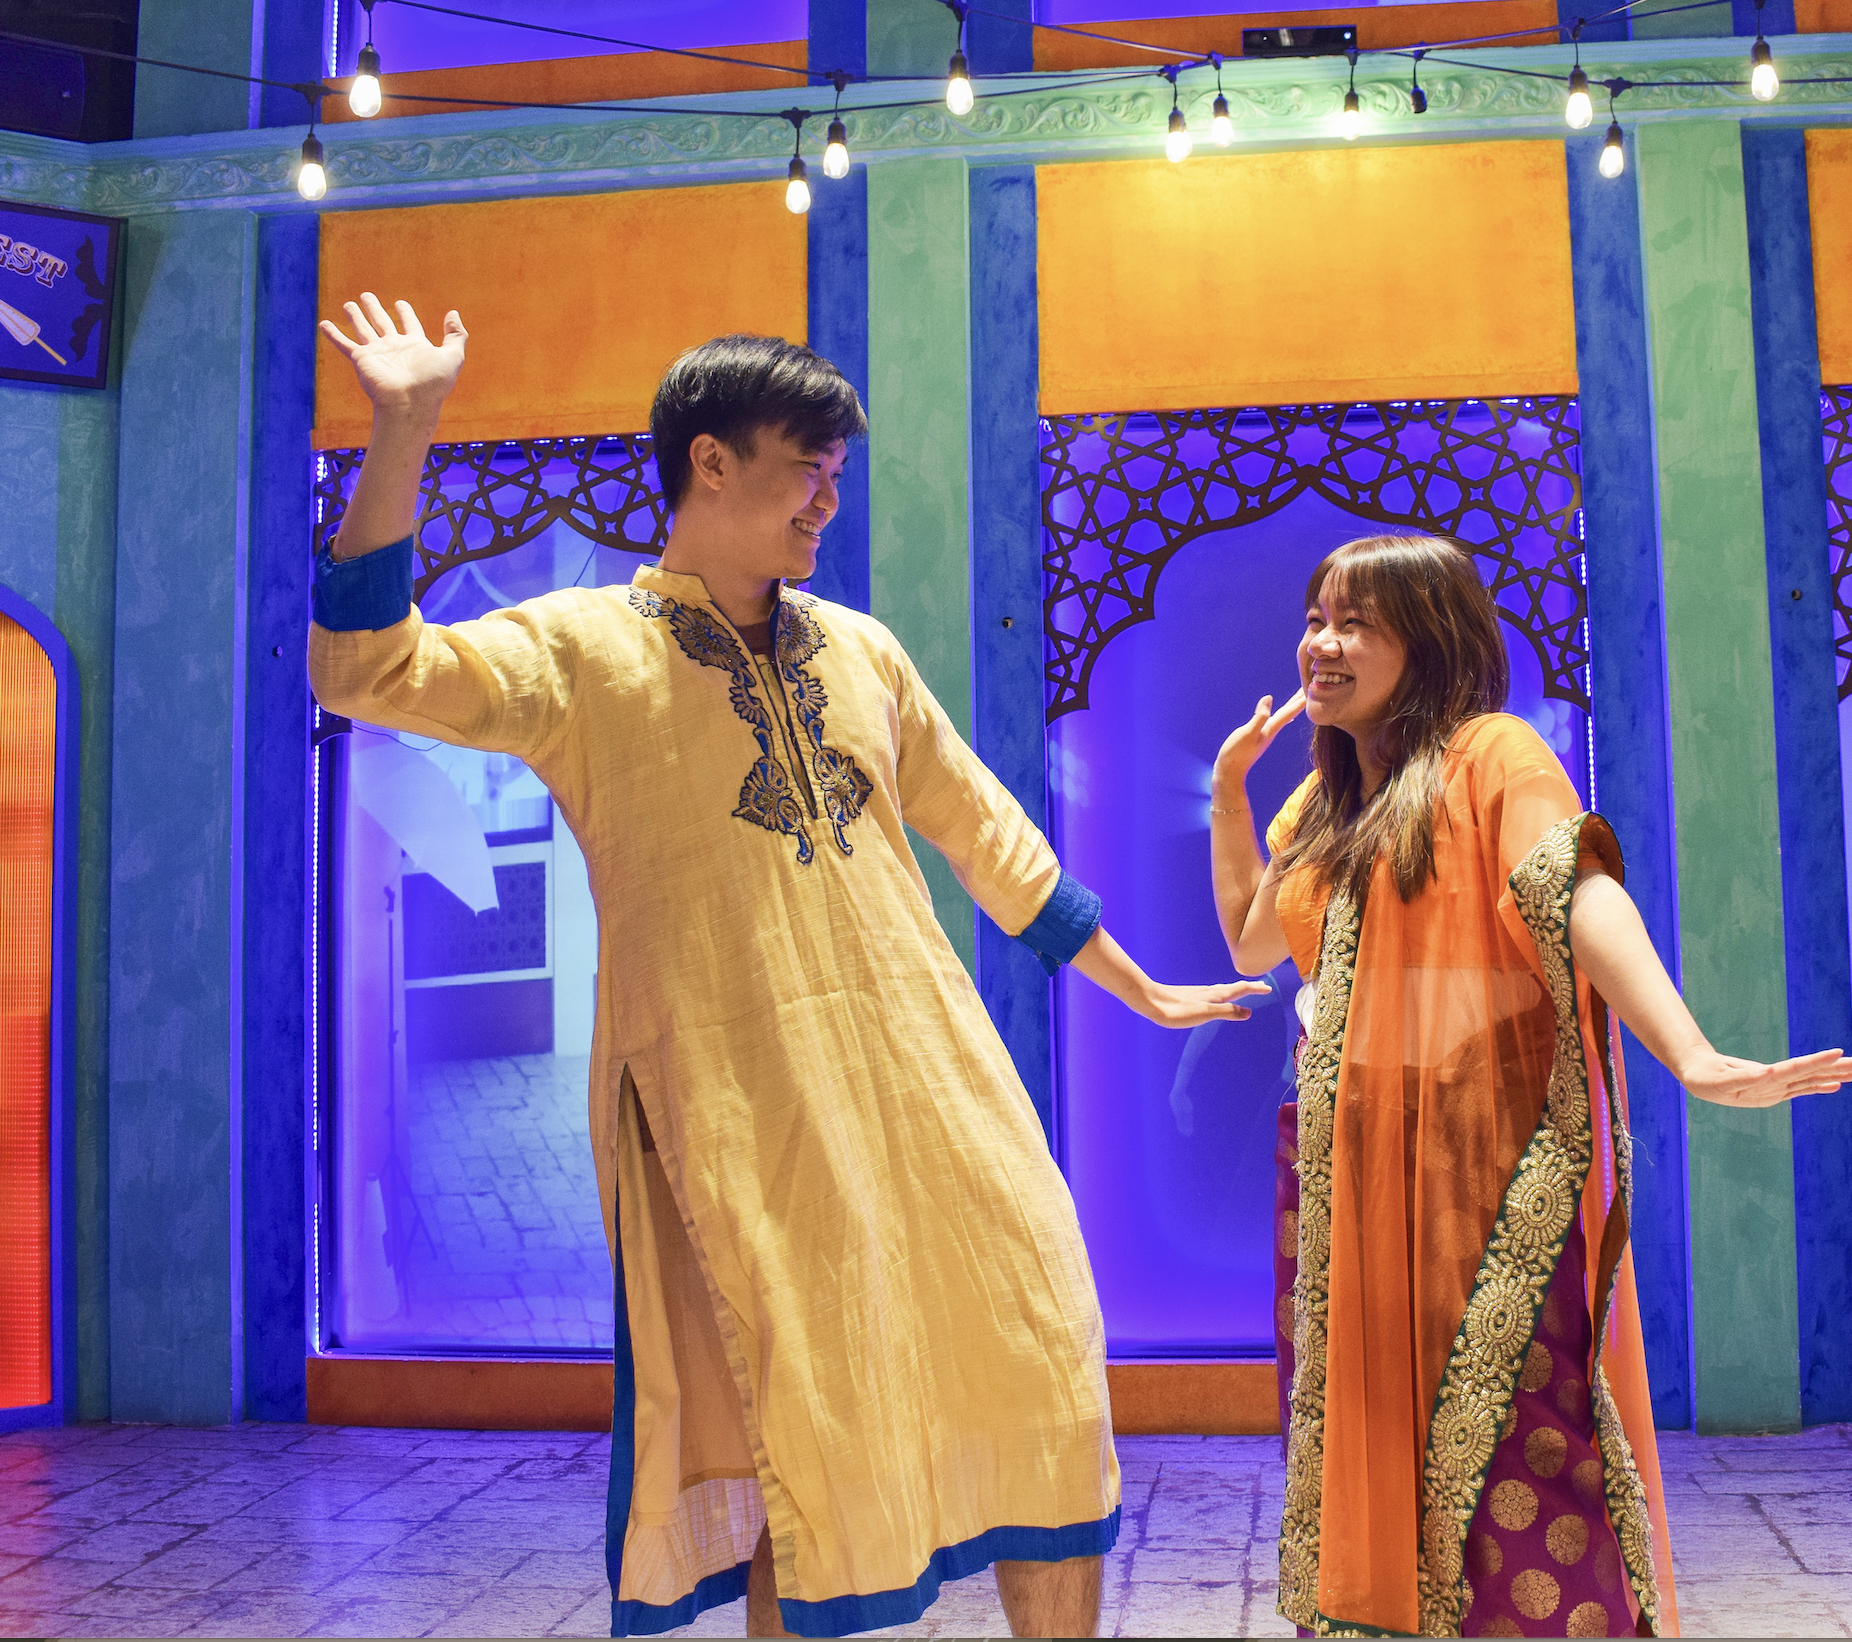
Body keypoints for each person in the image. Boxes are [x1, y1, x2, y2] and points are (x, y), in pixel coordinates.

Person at [308, 296, 1266, 1640]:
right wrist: (402, 427)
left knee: (1043, 1364)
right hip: (742, 1111)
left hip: (936, 1088)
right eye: (804, 471)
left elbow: (988, 831)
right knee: (804, 1426)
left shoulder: (859, 648)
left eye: (837, 477)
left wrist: (1144, 986)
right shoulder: (579, 652)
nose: (827, 504)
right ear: (710, 462)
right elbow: (367, 669)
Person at [1210, 536, 1852, 1638]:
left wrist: (1690, 1050)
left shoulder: (1493, 756)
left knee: (1519, 1442)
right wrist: (1231, 790)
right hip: (1343, 1173)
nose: (1323, 643)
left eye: (1357, 622)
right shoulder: (1323, 807)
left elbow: (1575, 894)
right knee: (1363, 1438)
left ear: (1433, 638)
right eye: (1318, 616)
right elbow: (1248, 940)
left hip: (1480, 1169)